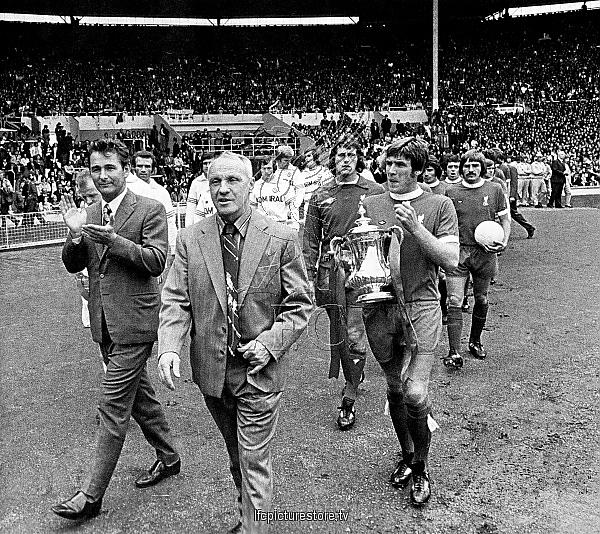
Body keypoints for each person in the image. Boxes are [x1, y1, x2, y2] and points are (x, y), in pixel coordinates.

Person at [158, 151, 312, 534]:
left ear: (250, 184)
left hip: (259, 372)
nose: (223, 189)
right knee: (236, 455)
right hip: (212, 373)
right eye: (215, 182)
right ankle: (247, 520)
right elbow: (176, 298)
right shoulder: (192, 238)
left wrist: (270, 343)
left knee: (254, 461)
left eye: (233, 181)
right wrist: (170, 346)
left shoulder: (280, 237)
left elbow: (300, 304)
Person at [52, 139, 180, 520]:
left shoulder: (151, 209)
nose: (103, 175)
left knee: (112, 406)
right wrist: (75, 237)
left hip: (136, 324)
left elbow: (157, 261)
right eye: (96, 169)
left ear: (126, 170)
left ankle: (91, 496)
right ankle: (169, 457)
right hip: (104, 323)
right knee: (141, 398)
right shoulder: (90, 210)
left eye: (110, 168)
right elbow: (74, 264)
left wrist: (117, 242)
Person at [362, 137, 459, 506]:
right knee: (393, 388)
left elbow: (450, 259)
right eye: (390, 163)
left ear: (418, 170)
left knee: (415, 393)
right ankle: (406, 454)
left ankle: (421, 466)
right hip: (379, 305)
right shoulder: (370, 204)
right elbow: (363, 259)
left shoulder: (439, 204)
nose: (393, 170)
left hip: (421, 304)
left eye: (402, 165)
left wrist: (416, 229)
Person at [303, 138, 384, 430]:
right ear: (332, 160)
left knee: (355, 333)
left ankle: (349, 398)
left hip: (366, 271)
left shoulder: (374, 192)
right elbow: (310, 240)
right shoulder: (320, 195)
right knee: (340, 331)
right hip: (331, 272)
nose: (346, 160)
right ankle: (354, 369)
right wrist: (310, 276)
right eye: (340, 155)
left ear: (358, 159)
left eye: (351, 155)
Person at [444, 149, 511, 368]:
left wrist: (504, 240)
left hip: (485, 252)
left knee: (481, 298)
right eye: (466, 166)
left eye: (475, 166)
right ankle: (454, 351)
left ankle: (475, 341)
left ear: (482, 168)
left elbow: (505, 220)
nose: (470, 170)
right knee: (453, 300)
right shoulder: (450, 192)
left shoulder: (495, 189)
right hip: (459, 251)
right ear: (461, 168)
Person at [132, 150, 178, 269]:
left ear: (153, 170)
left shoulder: (161, 192)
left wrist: (173, 247)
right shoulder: (126, 191)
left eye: (147, 166)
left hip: (154, 247)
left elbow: (170, 221)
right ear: (133, 168)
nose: (143, 170)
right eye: (139, 166)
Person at [251, 158, 300, 231]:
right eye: (263, 169)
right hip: (262, 226)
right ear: (260, 169)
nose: (266, 171)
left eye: (269, 168)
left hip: (280, 225)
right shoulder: (256, 186)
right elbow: (252, 208)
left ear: (274, 169)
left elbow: (293, 207)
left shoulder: (284, 184)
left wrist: (294, 227)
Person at [185, 154, 215, 226]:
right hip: (200, 222)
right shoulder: (196, 183)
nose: (207, 166)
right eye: (205, 163)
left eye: (210, 163)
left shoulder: (220, 180)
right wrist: (189, 227)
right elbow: (191, 208)